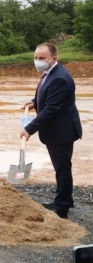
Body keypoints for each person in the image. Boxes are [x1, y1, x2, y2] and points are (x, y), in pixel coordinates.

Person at [21, 43, 82, 219]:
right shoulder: (50, 73)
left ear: (53, 59)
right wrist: (34, 102)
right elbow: (45, 94)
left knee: (62, 169)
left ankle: (61, 207)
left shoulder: (59, 78)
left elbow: (52, 108)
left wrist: (29, 129)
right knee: (61, 167)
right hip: (57, 129)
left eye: (42, 58)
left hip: (61, 131)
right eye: (36, 58)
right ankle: (64, 200)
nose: (38, 62)